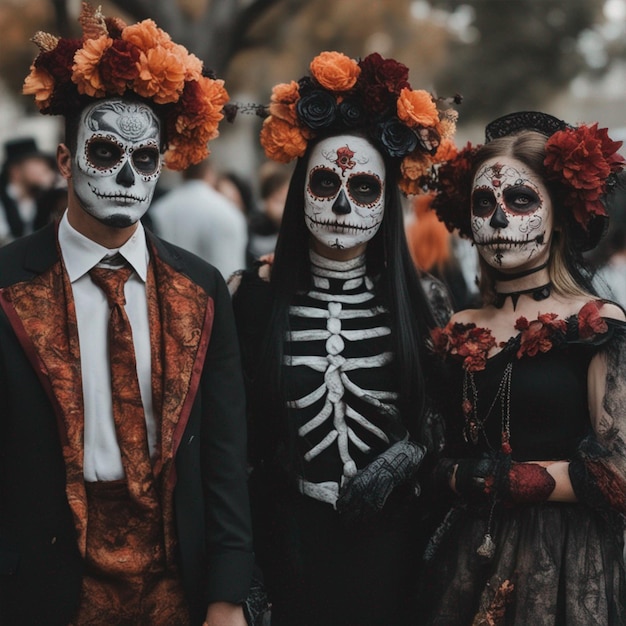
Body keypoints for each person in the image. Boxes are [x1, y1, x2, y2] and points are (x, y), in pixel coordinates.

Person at [1, 5, 253, 625]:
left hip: (176, 586)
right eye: (105, 151)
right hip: (42, 587)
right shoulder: (4, 284)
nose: (125, 176)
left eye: (145, 160)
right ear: (65, 161)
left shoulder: (201, 287)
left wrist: (226, 596)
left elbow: (224, 456)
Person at [229, 51, 458, 626]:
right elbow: (227, 440)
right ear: (300, 189)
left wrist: (403, 457)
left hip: (393, 552)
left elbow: (450, 421)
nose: (339, 206)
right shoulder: (249, 299)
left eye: (362, 189)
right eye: (325, 183)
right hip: (287, 545)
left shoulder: (422, 301)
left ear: (387, 204)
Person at [418, 111, 626, 624]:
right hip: (466, 558)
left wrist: (510, 481)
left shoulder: (594, 323)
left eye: (521, 200)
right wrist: (456, 474)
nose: (498, 219)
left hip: (564, 564)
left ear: (558, 212)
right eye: (484, 203)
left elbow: (619, 473)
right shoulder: (459, 326)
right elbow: (433, 449)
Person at [151, 158, 248, 280]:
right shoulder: (227, 211)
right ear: (209, 172)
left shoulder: (160, 209)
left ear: (182, 172)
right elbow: (231, 271)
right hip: (211, 294)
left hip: (169, 289)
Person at [0, 136, 58, 244]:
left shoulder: (43, 200)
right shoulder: (4, 203)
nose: (44, 168)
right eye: (36, 163)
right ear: (15, 171)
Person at [245, 160, 292, 265]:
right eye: (279, 200)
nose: (284, 207)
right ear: (265, 200)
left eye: (287, 200)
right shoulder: (255, 225)